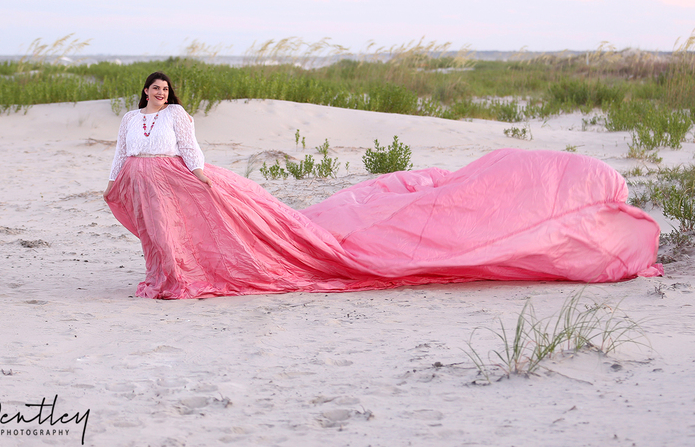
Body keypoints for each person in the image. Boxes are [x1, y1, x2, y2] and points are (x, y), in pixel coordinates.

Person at [104, 72, 662, 300]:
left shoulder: (178, 118)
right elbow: (121, 152)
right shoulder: (132, 121)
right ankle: (165, 276)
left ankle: (179, 278)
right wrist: (114, 182)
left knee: (192, 226)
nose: (157, 93)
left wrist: (203, 178)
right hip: (144, 179)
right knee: (159, 233)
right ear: (143, 93)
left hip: (179, 177)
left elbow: (192, 150)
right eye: (151, 88)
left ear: (169, 93)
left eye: (163, 88)